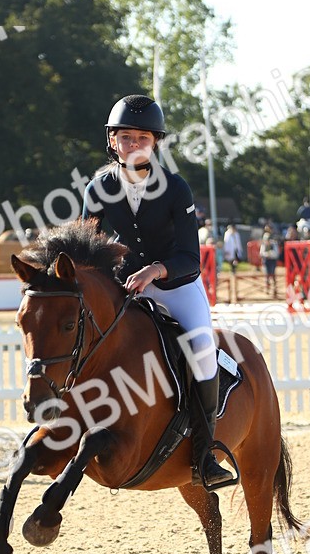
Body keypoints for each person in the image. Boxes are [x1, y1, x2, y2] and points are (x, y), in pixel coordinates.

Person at [82, 93, 236, 490]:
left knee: (202, 353)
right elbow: (86, 249)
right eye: (127, 137)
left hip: (175, 287)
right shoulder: (97, 189)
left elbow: (190, 257)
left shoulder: (175, 188)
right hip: (126, 290)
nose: (135, 145)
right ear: (113, 141)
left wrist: (155, 269)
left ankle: (205, 455)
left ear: (155, 144)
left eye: (144, 138)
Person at [260, 228, 279, 296]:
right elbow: (261, 253)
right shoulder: (264, 245)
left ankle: (275, 289)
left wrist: (270, 254)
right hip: (266, 261)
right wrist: (267, 254)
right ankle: (267, 289)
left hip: (272, 261)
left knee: (273, 275)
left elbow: (276, 253)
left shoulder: (273, 244)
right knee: (267, 276)